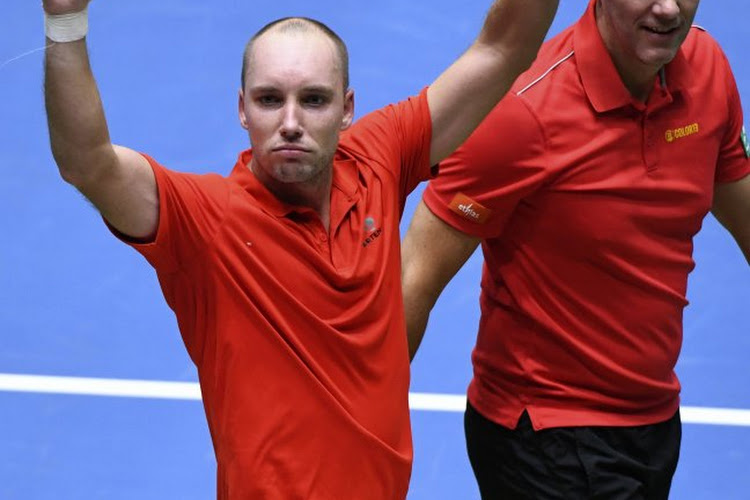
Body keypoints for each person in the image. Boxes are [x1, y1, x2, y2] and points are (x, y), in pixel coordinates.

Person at [42, 0, 559, 498]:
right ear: (242, 109)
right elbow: (89, 163)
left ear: (347, 108)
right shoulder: (207, 222)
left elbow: (504, 48)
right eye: (270, 99)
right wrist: (66, 22)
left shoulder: (379, 160)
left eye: (313, 100)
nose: (291, 122)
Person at [402, 0, 750, 498]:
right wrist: (359, 423)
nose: (669, 8)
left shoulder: (708, 68)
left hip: (652, 417)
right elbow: (415, 274)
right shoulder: (521, 110)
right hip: (544, 433)